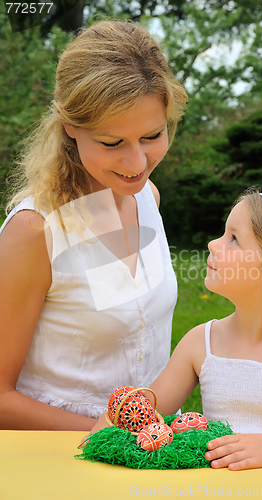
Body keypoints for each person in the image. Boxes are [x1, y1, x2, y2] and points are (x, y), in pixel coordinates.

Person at [0, 20, 187, 430]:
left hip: (147, 455)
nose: (137, 164)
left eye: (152, 135)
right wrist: (112, 434)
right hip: (60, 466)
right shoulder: (34, 232)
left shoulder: (147, 198)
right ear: (70, 126)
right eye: (112, 143)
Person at [91, 188, 262, 470]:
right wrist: (119, 416)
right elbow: (151, 412)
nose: (213, 245)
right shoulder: (202, 342)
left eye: (233, 239)